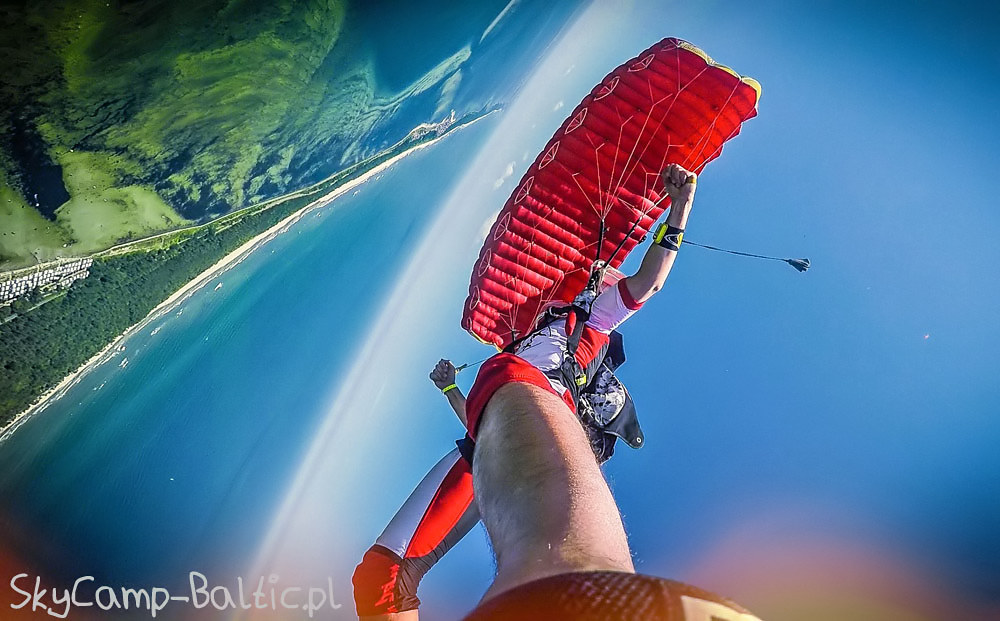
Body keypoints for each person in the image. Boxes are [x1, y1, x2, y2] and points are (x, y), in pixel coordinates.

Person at [354, 165, 755, 619]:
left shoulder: (589, 321)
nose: (604, 278)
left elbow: (649, 282)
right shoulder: (531, 335)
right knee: (379, 581)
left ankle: (608, 606)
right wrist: (450, 388)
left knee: (564, 570)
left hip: (531, 405)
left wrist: (680, 208)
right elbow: (483, 424)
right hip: (486, 441)